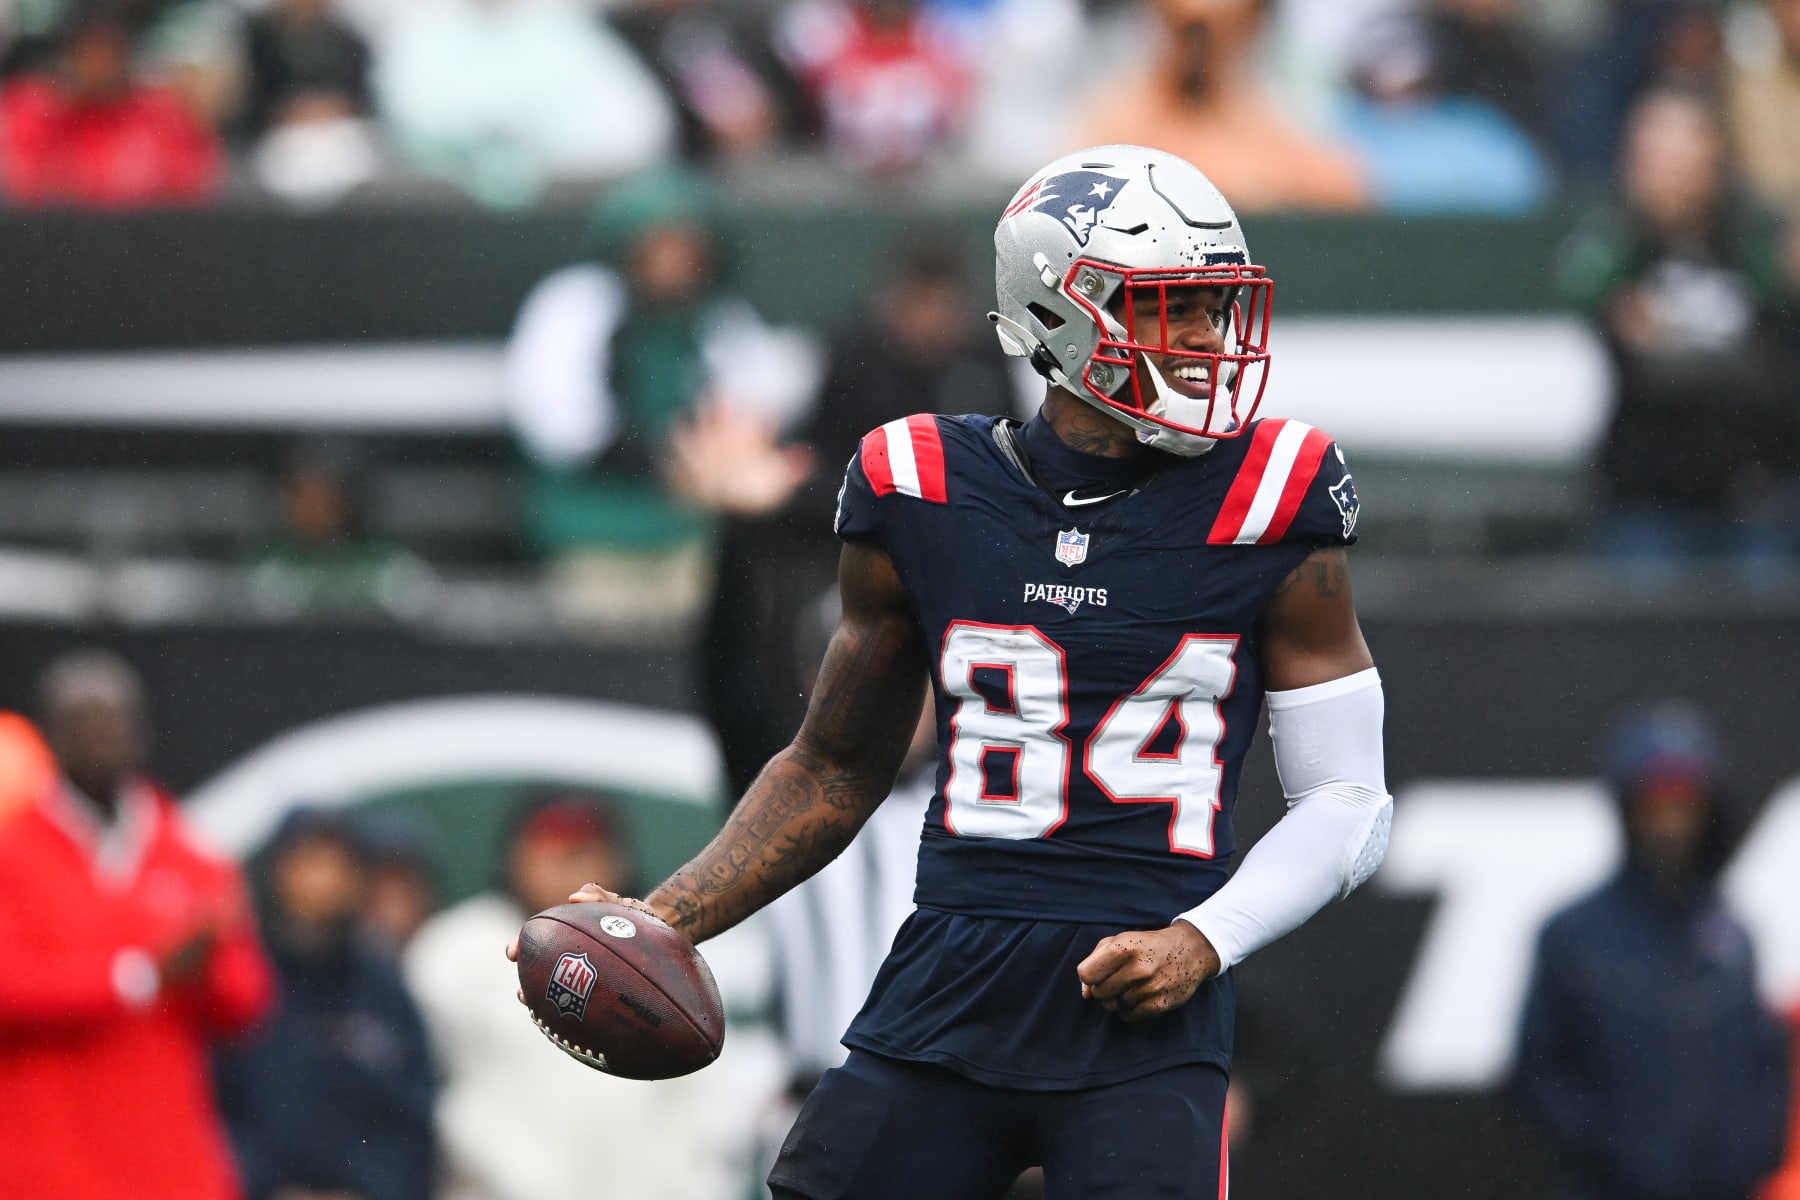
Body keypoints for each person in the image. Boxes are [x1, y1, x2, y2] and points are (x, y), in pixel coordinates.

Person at [520, 143, 1393, 1197]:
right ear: (1063, 314)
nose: (1210, 339)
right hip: (947, 993)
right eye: (1175, 307)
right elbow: (834, 764)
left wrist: (1205, 939)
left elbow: (1348, 799)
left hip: (1145, 1022)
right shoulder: (922, 483)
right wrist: (670, 915)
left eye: (1217, 306)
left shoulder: (1278, 494)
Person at [408, 791, 782, 1200]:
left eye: (584, 851)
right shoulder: (453, 950)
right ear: (516, 857)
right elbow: (416, 1091)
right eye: (552, 851)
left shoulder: (660, 964)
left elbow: (696, 1106)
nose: (568, 867)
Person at [0, 650, 274, 1200]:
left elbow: (246, 1002)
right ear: (52, 734)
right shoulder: (12, 854)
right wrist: (140, 976)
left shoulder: (190, 854)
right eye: (84, 721)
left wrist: (209, 959)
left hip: (169, 1165)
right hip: (44, 1164)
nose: (101, 735)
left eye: (114, 719)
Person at [1513, 701, 1791, 1200]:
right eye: (1655, 803)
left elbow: (1762, 1061)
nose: (1671, 822)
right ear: (1628, 808)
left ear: (1710, 811)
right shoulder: (1573, 934)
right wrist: (1609, 1146)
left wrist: (1750, 1152)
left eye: (1686, 803)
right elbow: (1538, 1067)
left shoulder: (1732, 935)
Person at [1557, 85, 1788, 565]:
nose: (1670, 171)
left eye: (1685, 149)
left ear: (1715, 155)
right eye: (1655, 152)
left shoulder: (1752, 248)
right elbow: (1633, 362)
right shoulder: (1612, 250)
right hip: (1646, 504)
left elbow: (1774, 366)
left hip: (1752, 497)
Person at [214, 807, 436, 1200]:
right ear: (276, 873)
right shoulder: (243, 977)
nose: (320, 878)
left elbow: (412, 1115)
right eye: (305, 860)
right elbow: (214, 1108)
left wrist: (367, 1190)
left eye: (335, 862)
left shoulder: (382, 984)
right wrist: (271, 1188)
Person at [1078, 0, 1367, 212]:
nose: (1200, 48)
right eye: (1190, 30)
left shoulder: (1264, 114)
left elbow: (1347, 191)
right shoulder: (1119, 113)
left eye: (1218, 28)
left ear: (1248, 26)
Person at [0, 5, 223, 207]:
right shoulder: (36, 111)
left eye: (110, 52)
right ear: (70, 56)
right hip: (55, 244)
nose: (101, 65)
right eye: (91, 53)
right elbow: (20, 188)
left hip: (141, 244)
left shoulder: (158, 117)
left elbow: (196, 191)